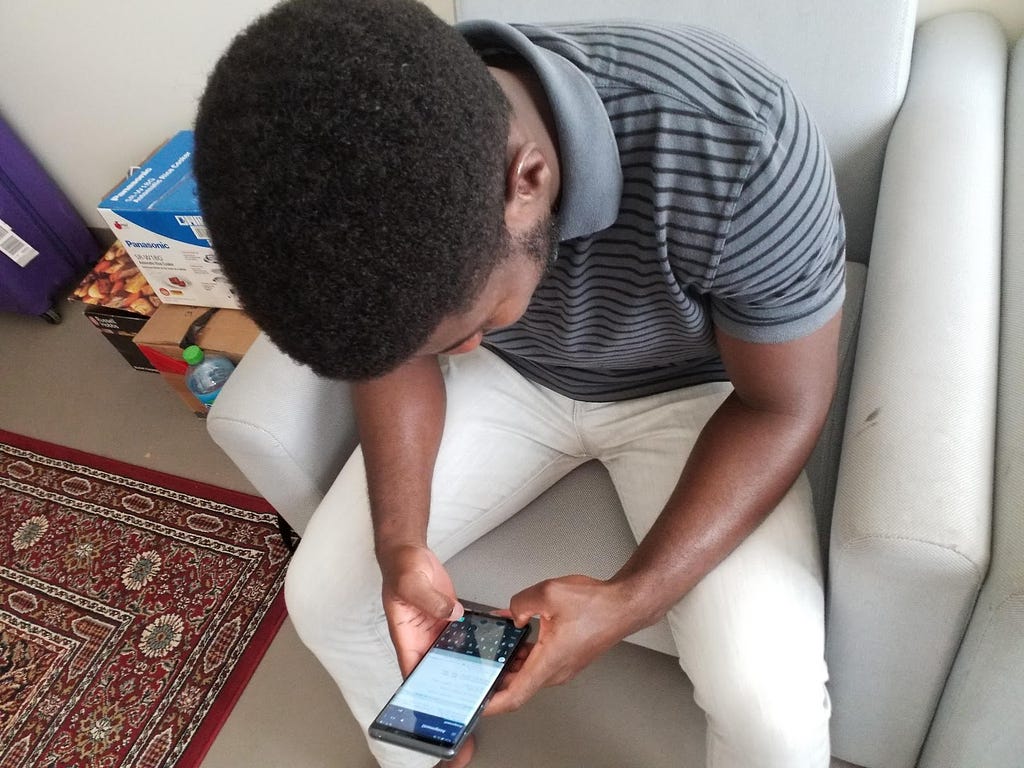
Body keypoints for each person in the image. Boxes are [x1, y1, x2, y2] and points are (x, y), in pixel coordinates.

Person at [193, 0, 846, 766]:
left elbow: (781, 403)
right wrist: (402, 543)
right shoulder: (367, 181)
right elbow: (405, 353)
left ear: (527, 181)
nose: (457, 346)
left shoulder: (741, 145)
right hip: (511, 379)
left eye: (465, 323)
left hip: (702, 392)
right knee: (325, 596)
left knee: (770, 710)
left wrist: (629, 599)